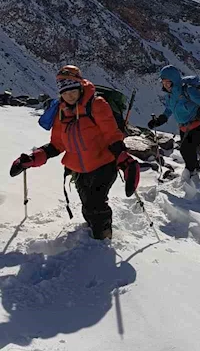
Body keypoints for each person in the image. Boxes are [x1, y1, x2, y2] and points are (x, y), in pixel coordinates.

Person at [10, 65, 140, 239]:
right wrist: (33, 159)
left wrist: (125, 160)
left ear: (80, 87)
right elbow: (57, 145)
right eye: (64, 92)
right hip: (78, 170)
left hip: (103, 164)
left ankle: (103, 240)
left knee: (96, 203)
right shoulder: (61, 112)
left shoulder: (97, 105)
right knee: (87, 204)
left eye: (72, 90)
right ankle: (94, 233)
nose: (69, 95)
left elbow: (112, 135)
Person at [147, 66, 200, 182]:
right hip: (184, 128)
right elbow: (169, 110)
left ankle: (191, 174)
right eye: (163, 82)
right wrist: (159, 120)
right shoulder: (170, 96)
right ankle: (194, 172)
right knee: (188, 150)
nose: (165, 85)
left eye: (167, 82)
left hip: (198, 126)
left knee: (186, 149)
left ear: (174, 81)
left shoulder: (188, 90)